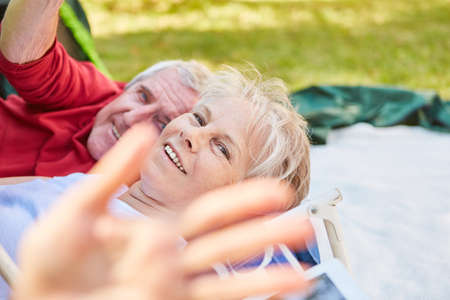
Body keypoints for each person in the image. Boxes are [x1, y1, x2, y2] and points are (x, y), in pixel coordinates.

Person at [8, 124, 313, 300]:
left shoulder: (154, 270)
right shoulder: (99, 186)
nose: (192, 134)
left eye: (222, 148)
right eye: (198, 116)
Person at [0, 0, 211, 178]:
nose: (131, 119)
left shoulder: (147, 195)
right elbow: (25, 60)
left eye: (162, 123)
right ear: (127, 88)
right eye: (143, 96)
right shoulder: (98, 93)